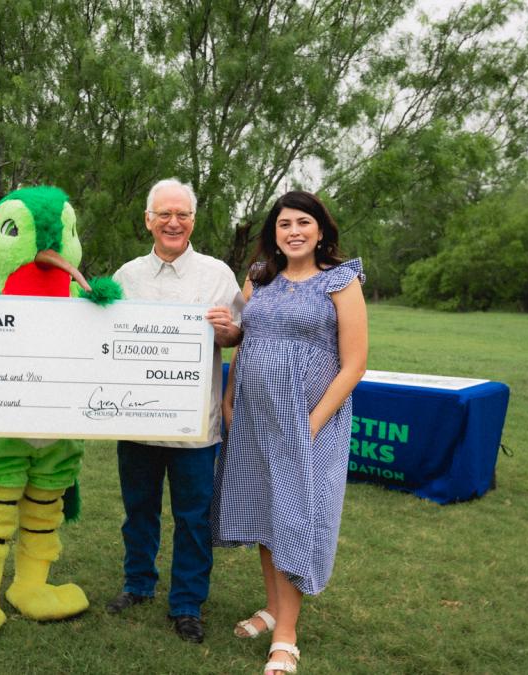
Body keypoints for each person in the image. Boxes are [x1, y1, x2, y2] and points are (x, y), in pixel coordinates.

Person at [211, 191, 367, 674]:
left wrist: (312, 423)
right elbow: (248, 340)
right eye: (284, 224)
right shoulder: (260, 280)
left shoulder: (340, 282)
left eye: (303, 222)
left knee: (294, 518)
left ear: (321, 231)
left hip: (305, 420)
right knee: (265, 513)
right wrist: (230, 397)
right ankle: (274, 606)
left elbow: (355, 362)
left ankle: (286, 634)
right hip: (255, 418)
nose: (293, 231)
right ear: (273, 234)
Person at [107, 178, 243, 644]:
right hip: (137, 422)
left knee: (193, 517)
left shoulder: (218, 275)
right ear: (148, 220)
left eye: (182, 214)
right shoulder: (125, 277)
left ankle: (187, 602)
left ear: (193, 221)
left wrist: (228, 331)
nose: (173, 222)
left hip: (194, 429)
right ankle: (138, 583)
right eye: (164, 213)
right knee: (138, 510)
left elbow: (238, 335)